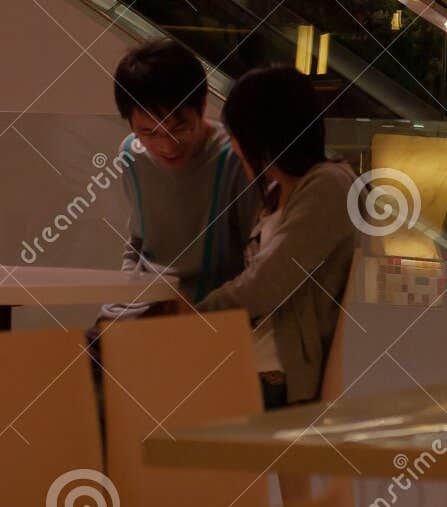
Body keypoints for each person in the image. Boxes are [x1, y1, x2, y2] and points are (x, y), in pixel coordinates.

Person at [192, 67, 357, 409]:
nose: (234, 146)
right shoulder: (279, 191)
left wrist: (193, 316)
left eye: (236, 135)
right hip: (252, 363)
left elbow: (269, 280)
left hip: (274, 376)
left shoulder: (329, 185)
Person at [101, 39, 258, 326]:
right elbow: (138, 242)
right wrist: (128, 290)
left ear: (202, 103)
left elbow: (254, 258)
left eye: (180, 128)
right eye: (148, 133)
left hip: (209, 311)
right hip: (145, 303)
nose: (167, 147)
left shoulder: (233, 157)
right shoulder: (131, 155)